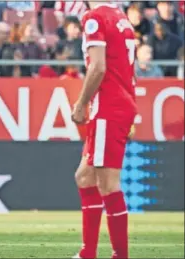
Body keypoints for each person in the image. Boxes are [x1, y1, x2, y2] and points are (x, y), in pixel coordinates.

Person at [71, 2, 138, 259]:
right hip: (120, 105)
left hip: (107, 107)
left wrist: (81, 103)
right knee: (84, 177)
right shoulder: (121, 18)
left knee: (108, 184)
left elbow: (97, 67)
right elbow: (129, 71)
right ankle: (88, 252)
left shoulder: (95, 17)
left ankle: (120, 255)